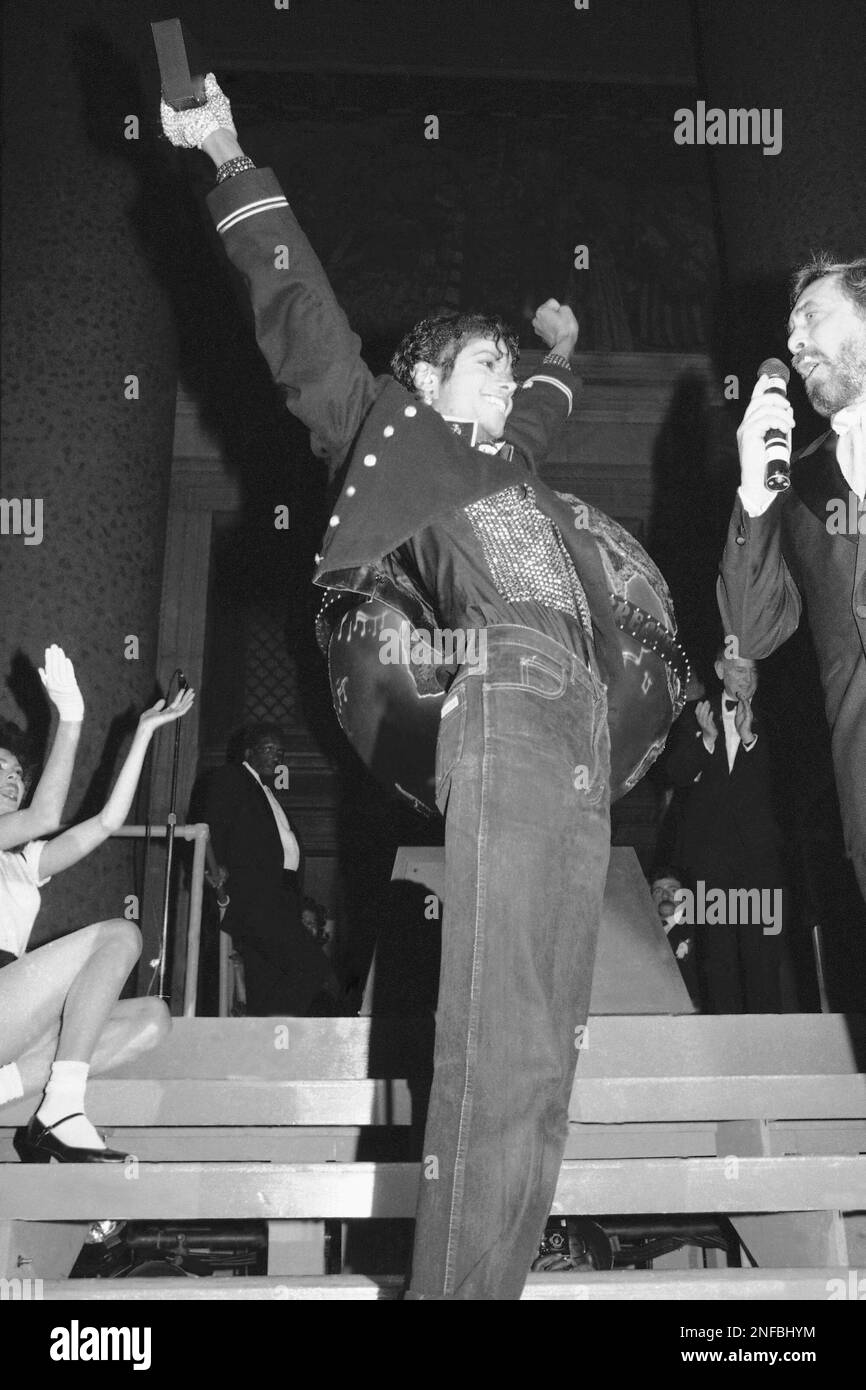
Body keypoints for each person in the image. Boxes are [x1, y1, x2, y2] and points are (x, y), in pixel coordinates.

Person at [162, 78, 623, 1301]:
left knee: (546, 1049)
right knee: (496, 1038)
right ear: (423, 383)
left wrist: (561, 355)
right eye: (482, 363)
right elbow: (300, 315)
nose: (500, 380)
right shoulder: (385, 427)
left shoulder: (504, 463)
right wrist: (227, 157)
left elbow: (535, 415)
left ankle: (496, 1282)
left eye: (502, 371)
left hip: (578, 717)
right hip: (499, 702)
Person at [0, 646, 191, 1162]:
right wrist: (71, 718)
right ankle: (60, 1110)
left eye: (18, 775)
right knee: (119, 935)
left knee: (153, 1019)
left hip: (12, 1016)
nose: (12, 779)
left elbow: (106, 823)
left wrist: (144, 734)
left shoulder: (23, 863)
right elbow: (44, 816)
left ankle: (19, 1097)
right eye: (0, 767)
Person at [717, 255, 866, 903]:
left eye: (811, 316)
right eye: (788, 328)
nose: (793, 341)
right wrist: (754, 490)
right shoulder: (798, 482)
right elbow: (752, 628)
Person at [662, 652, 786, 1012]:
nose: (746, 678)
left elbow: (784, 783)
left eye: (752, 671)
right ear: (719, 671)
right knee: (717, 957)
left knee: (762, 955)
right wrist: (707, 740)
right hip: (709, 858)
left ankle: (766, 1049)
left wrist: (750, 739)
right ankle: (724, 1050)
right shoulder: (694, 715)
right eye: (738, 669)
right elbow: (675, 774)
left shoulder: (775, 716)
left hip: (760, 860)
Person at [194, 724, 334, 1015]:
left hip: (281, 897)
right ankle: (267, 1025)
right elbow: (213, 822)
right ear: (249, 752)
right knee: (312, 965)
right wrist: (217, 862)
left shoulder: (265, 790)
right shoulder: (231, 777)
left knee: (265, 979)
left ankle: (263, 1034)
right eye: (269, 749)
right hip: (256, 896)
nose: (277, 757)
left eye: (280, 752)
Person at [647, 864, 701, 1008]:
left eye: (673, 890)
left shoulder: (699, 930)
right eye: (658, 890)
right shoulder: (641, 931)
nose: (665, 896)